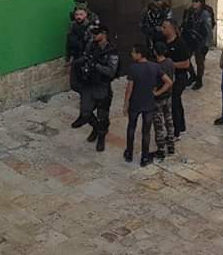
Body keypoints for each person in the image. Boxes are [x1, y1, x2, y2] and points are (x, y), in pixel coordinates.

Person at [69, 25, 119, 153]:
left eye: (97, 33)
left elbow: (111, 72)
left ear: (104, 34)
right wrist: (76, 62)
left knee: (102, 115)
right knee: (85, 113)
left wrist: (96, 66)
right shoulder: (91, 44)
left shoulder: (111, 51)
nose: (94, 36)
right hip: (88, 84)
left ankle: (101, 136)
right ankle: (96, 128)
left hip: (102, 86)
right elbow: (86, 57)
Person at [123, 45, 171, 167]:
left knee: (131, 128)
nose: (132, 54)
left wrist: (126, 103)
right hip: (149, 103)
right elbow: (169, 82)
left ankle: (129, 153)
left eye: (133, 52)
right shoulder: (155, 67)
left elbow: (129, 88)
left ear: (140, 54)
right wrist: (157, 93)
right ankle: (144, 157)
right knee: (146, 131)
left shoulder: (133, 68)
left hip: (135, 103)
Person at [159, 20, 190, 137]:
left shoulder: (180, 43)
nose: (162, 29)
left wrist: (170, 64)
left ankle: (177, 130)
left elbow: (186, 64)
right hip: (166, 76)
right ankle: (178, 126)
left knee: (174, 102)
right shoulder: (163, 41)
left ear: (172, 28)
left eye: (164, 27)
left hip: (179, 77)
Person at [181, 0, 215, 91]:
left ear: (201, 2)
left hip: (201, 40)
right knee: (185, 58)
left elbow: (209, 30)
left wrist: (207, 44)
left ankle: (199, 80)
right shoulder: (190, 11)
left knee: (199, 61)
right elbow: (185, 23)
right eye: (193, 1)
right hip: (190, 39)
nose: (194, 3)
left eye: (196, 1)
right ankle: (192, 75)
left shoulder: (205, 13)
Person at [151, 42, 176, 159]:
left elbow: (168, 82)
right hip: (168, 97)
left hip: (159, 99)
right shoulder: (170, 62)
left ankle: (161, 149)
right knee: (169, 121)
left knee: (158, 124)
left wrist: (157, 92)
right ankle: (171, 145)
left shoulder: (156, 66)